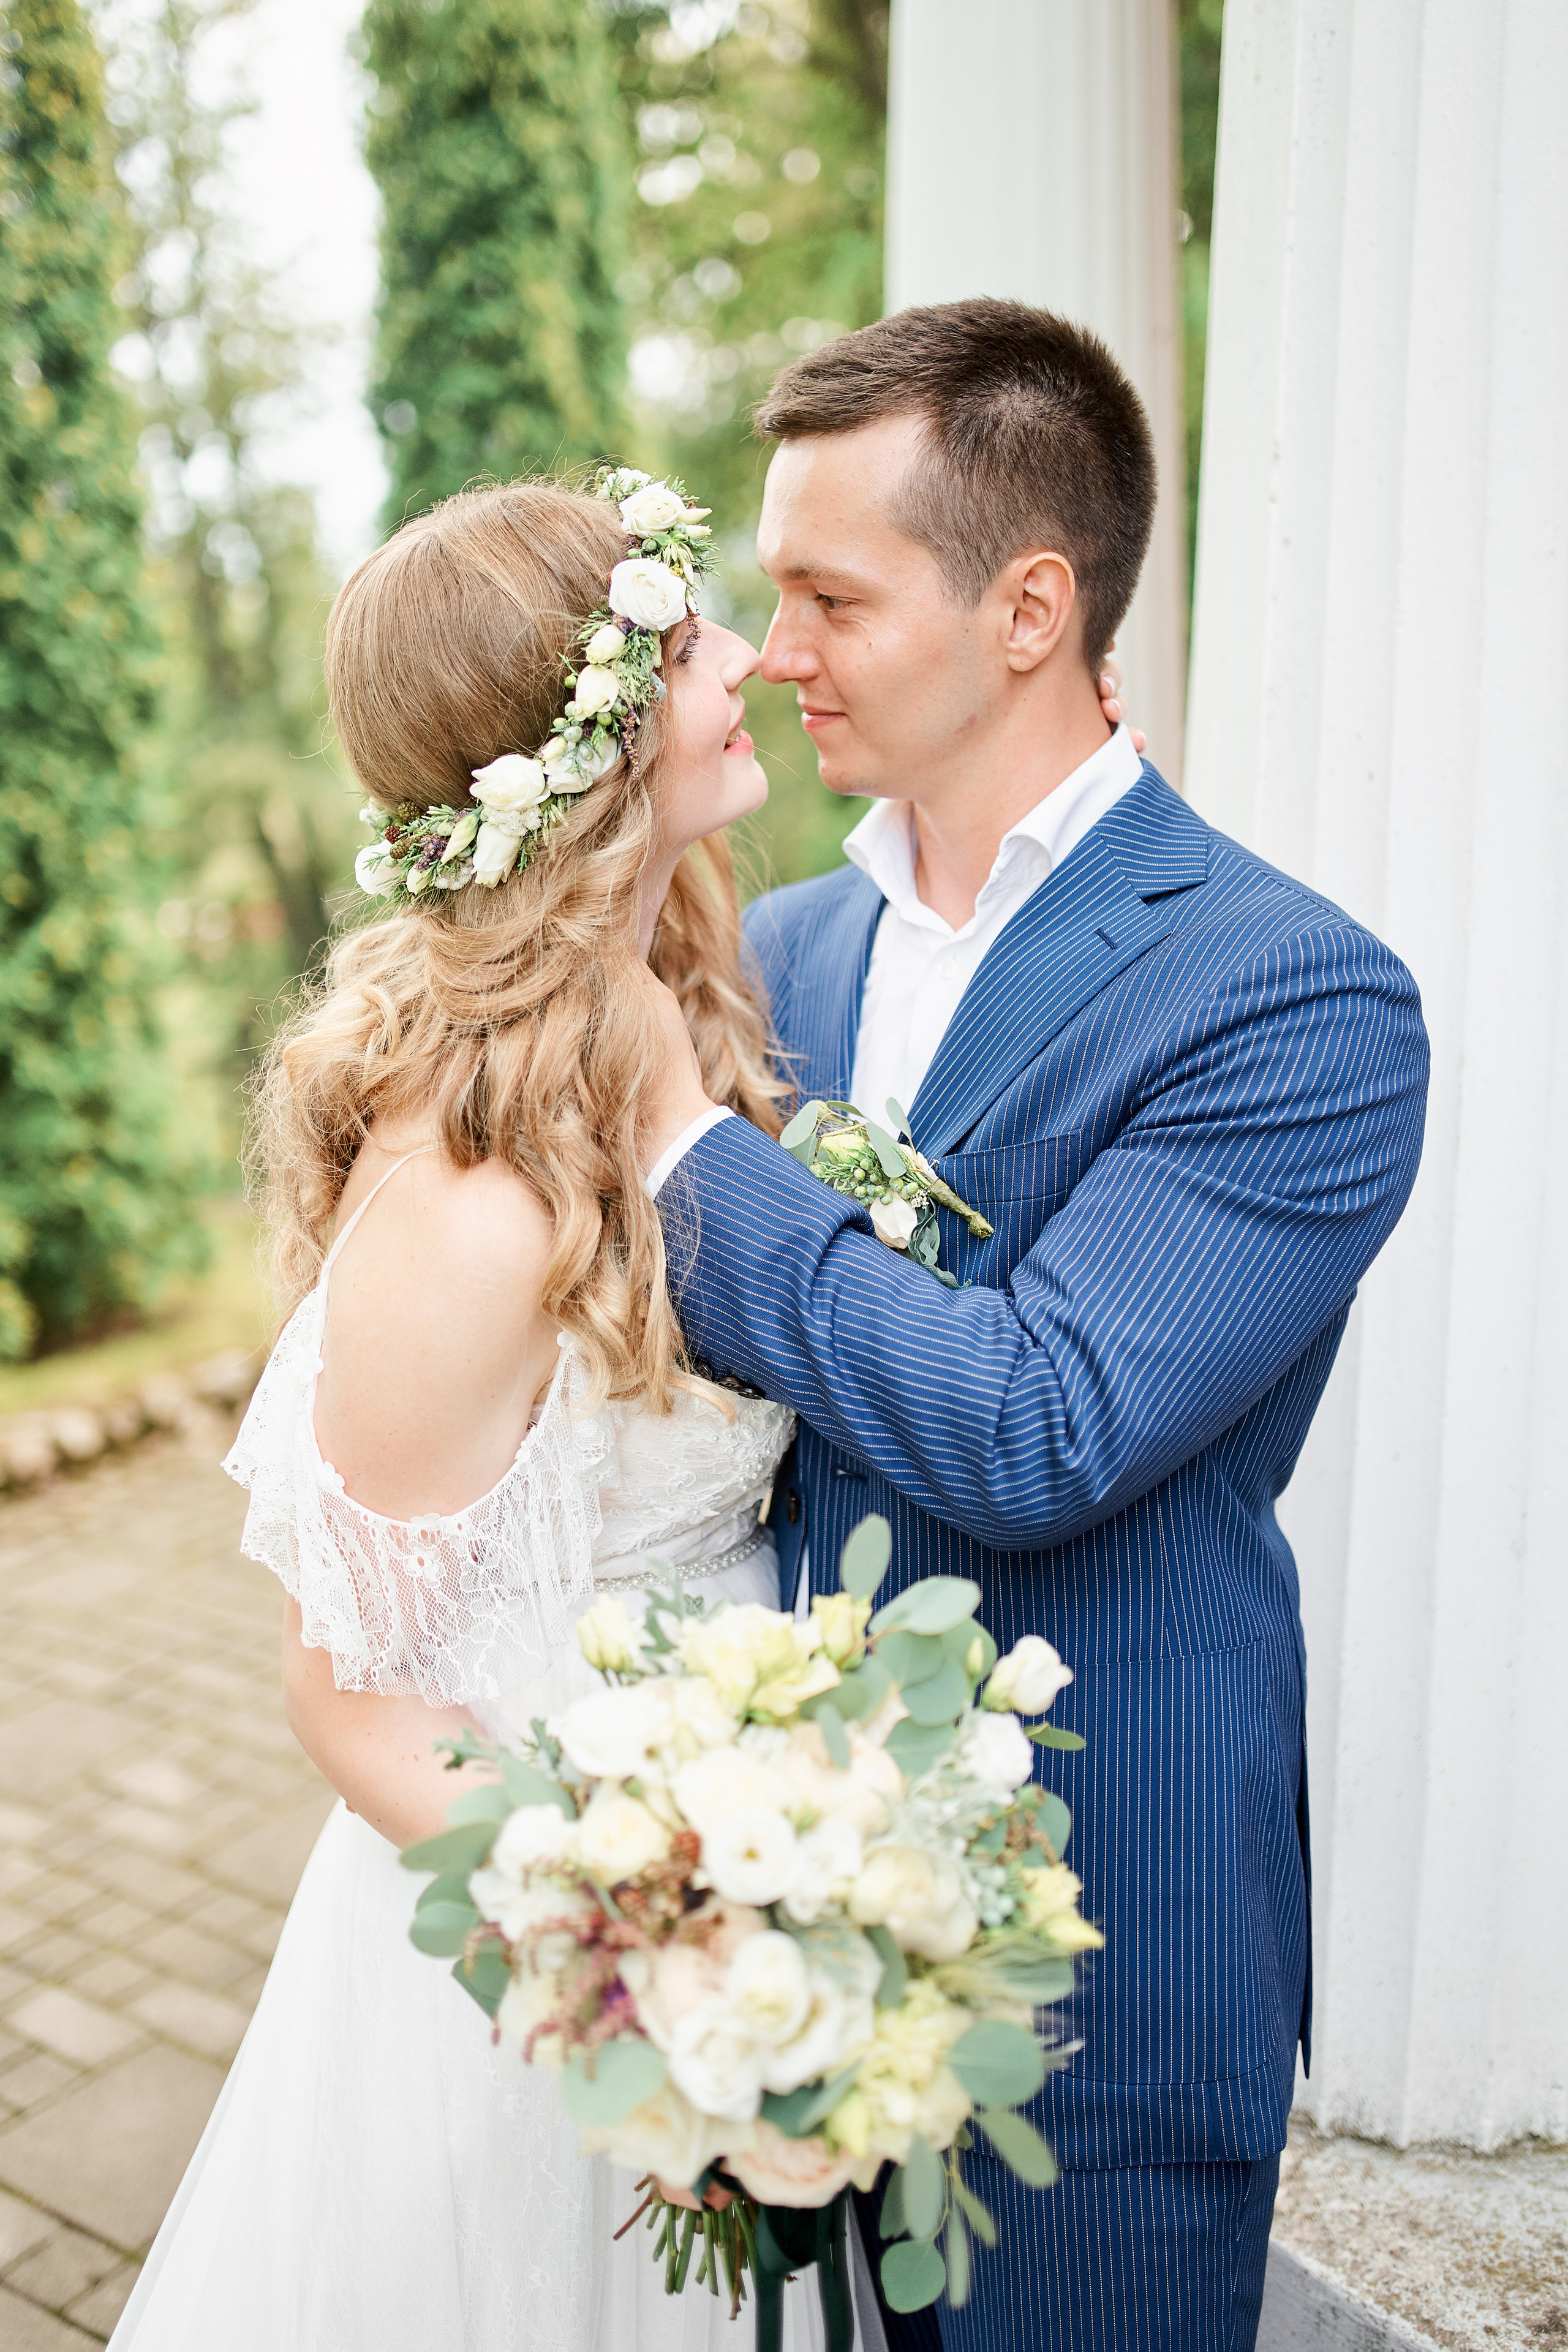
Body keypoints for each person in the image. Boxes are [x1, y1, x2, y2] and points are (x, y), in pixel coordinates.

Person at [640, 300, 1431, 2352]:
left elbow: (1047, 1423)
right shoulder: (779, 947)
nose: (773, 648)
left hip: (1092, 1966)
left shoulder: (1297, 1000)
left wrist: (677, 1141)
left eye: (828, 592)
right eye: (767, 592)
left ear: (1028, 606)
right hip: (757, 1948)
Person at [107, 475, 823, 2352]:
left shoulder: (687, 1019)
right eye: (688, 643)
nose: (746, 657)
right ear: (581, 746)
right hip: (560, 1975)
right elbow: (349, 1694)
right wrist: (643, 1970)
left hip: (744, 1861)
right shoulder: (471, 1192)